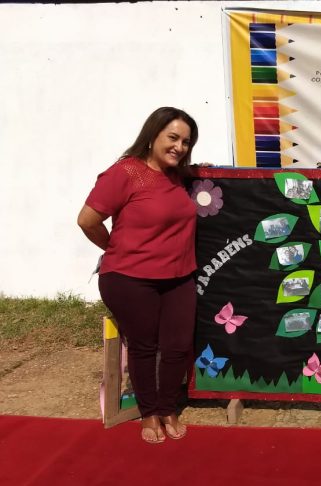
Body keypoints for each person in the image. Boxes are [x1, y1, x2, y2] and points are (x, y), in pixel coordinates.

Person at [77, 107, 200, 444]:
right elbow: (87, 220)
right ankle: (149, 413)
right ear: (152, 135)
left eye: (186, 142)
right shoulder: (126, 172)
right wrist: (113, 247)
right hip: (129, 278)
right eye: (172, 138)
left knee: (178, 346)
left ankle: (168, 408)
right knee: (144, 347)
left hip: (179, 276)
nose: (179, 147)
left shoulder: (178, 176)